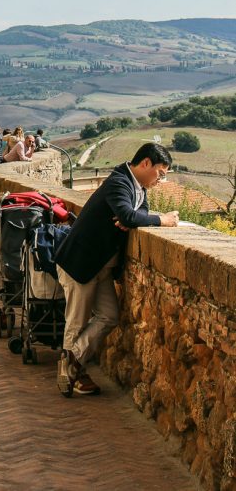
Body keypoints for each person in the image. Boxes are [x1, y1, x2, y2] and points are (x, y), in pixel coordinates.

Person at [55, 143, 179, 397]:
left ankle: (73, 359)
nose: (161, 179)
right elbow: (130, 215)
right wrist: (161, 220)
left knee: (109, 315)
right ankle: (68, 377)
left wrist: (132, 217)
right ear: (146, 164)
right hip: (81, 263)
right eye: (161, 173)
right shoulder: (119, 182)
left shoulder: (138, 187)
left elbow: (137, 211)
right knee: (76, 322)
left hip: (100, 265)